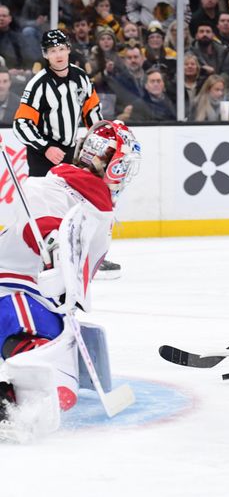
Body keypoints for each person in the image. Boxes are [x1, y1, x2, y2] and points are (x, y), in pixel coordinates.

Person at [0, 120, 141, 441]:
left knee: (63, 387)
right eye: (123, 165)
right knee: (50, 386)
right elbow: (40, 225)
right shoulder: (54, 188)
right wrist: (52, 244)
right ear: (111, 163)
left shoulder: (85, 196)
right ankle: (7, 400)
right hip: (12, 291)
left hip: (30, 295)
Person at [13, 30, 122, 279]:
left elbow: (92, 112)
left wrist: (100, 142)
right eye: (52, 51)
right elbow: (21, 124)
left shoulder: (81, 78)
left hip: (71, 152)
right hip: (43, 154)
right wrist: (45, 147)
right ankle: (46, 259)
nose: (58, 54)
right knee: (47, 208)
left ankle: (90, 255)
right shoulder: (38, 84)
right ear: (45, 55)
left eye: (61, 49)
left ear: (69, 49)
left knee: (83, 203)